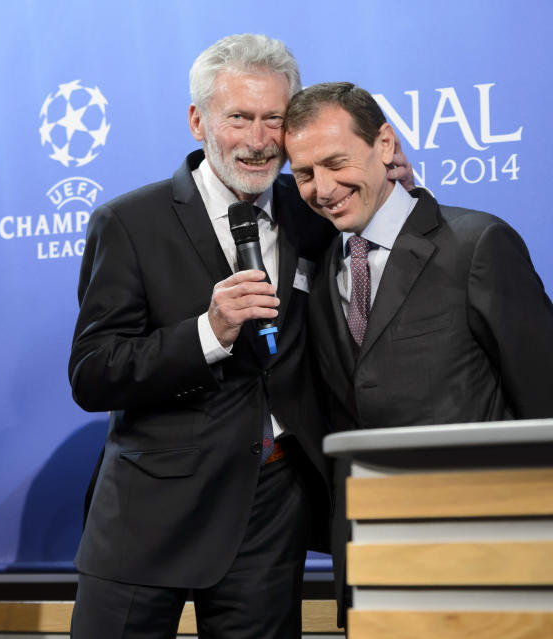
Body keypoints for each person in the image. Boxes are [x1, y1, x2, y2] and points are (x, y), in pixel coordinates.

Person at [69, 34, 414, 639]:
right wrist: (210, 331)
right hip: (150, 514)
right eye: (239, 118)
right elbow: (94, 372)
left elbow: (390, 271)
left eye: (273, 120)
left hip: (272, 507)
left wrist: (394, 198)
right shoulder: (128, 222)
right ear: (199, 120)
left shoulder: (313, 205)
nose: (257, 141)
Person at [283, 81, 553, 624]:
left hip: (489, 556)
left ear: (385, 145)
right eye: (305, 174)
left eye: (337, 162)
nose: (323, 187)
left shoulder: (477, 244)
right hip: (372, 565)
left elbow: (544, 398)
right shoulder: (316, 270)